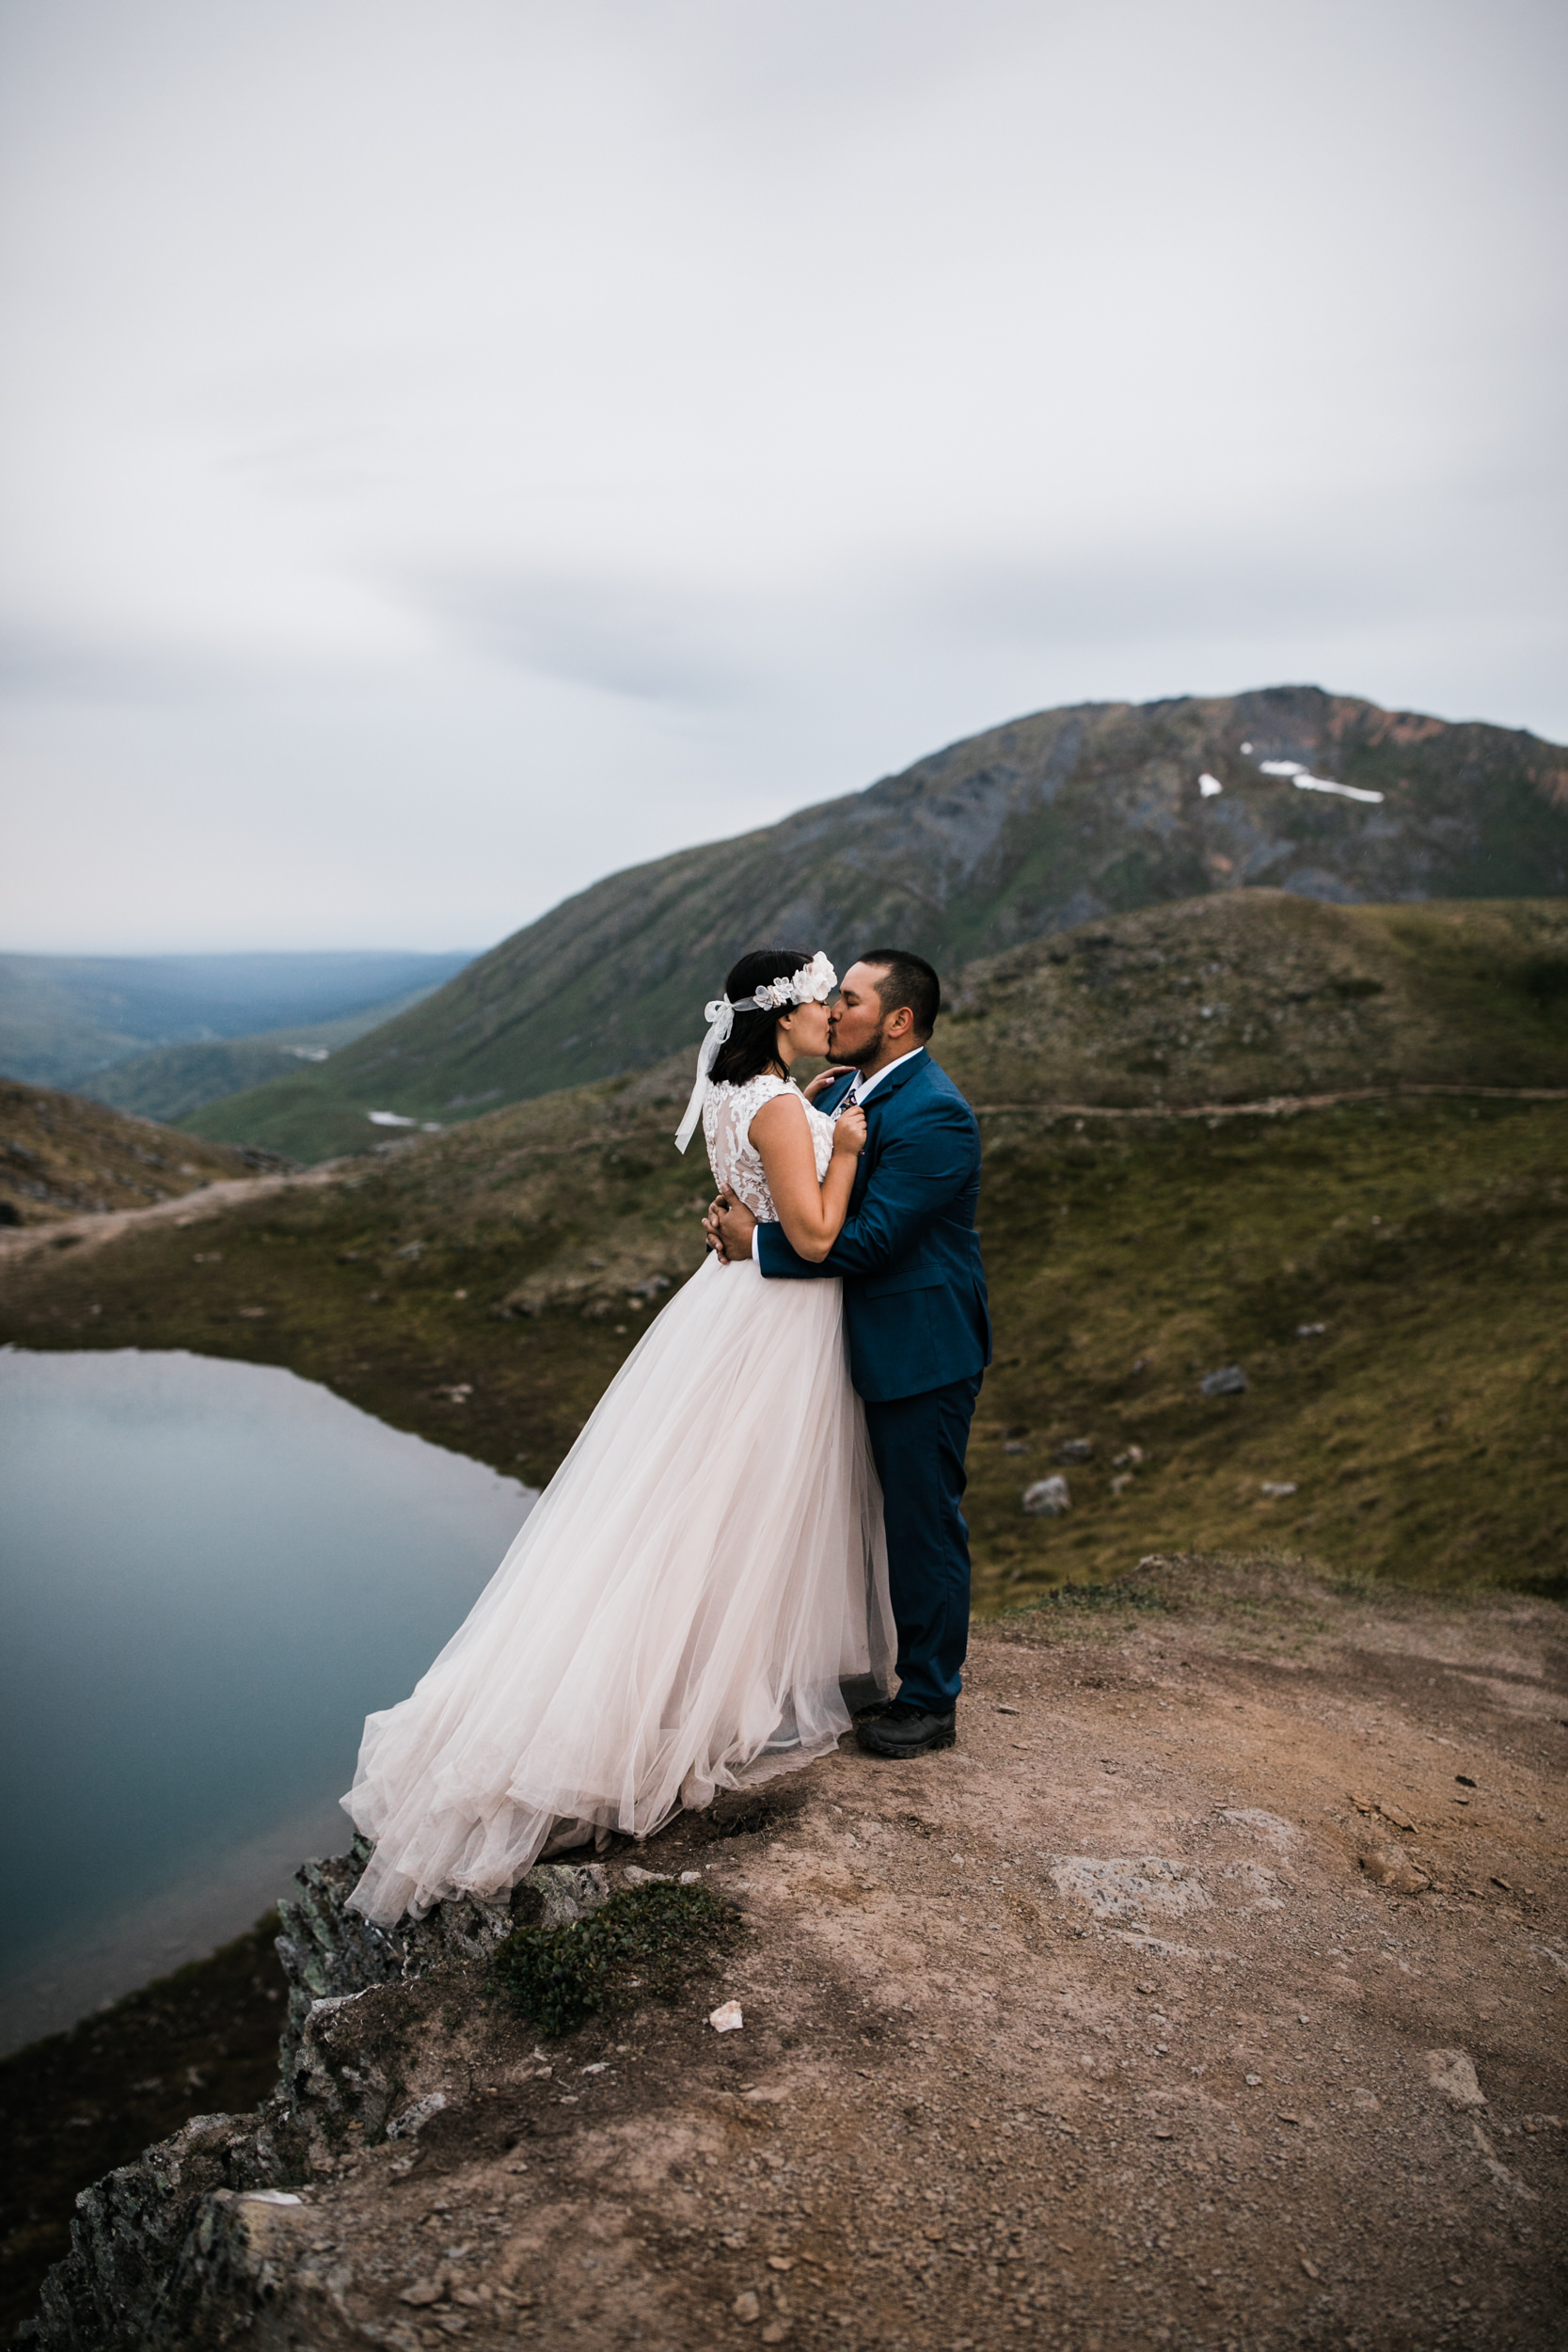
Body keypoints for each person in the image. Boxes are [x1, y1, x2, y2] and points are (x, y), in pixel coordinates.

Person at [341, 947, 895, 1926]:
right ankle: (703, 1701)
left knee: (698, 1507)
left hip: (728, 1306)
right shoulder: (775, 1108)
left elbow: (756, 1185)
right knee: (745, 1506)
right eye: (815, 1004)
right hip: (778, 1322)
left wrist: (806, 1118)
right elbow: (810, 1237)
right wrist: (842, 1145)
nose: (828, 1016)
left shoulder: (748, 1101)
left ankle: (695, 1684)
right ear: (780, 1020)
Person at [705, 949, 990, 1759]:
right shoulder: (835, 1091)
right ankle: (868, 1669)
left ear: (897, 1020)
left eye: (851, 1001)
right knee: (849, 1514)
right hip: (837, 1345)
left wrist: (754, 1243)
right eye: (828, 1000)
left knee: (919, 1522)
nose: (831, 1012)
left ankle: (931, 1701)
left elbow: (865, 1243)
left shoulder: (936, 1112)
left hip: (920, 1348)